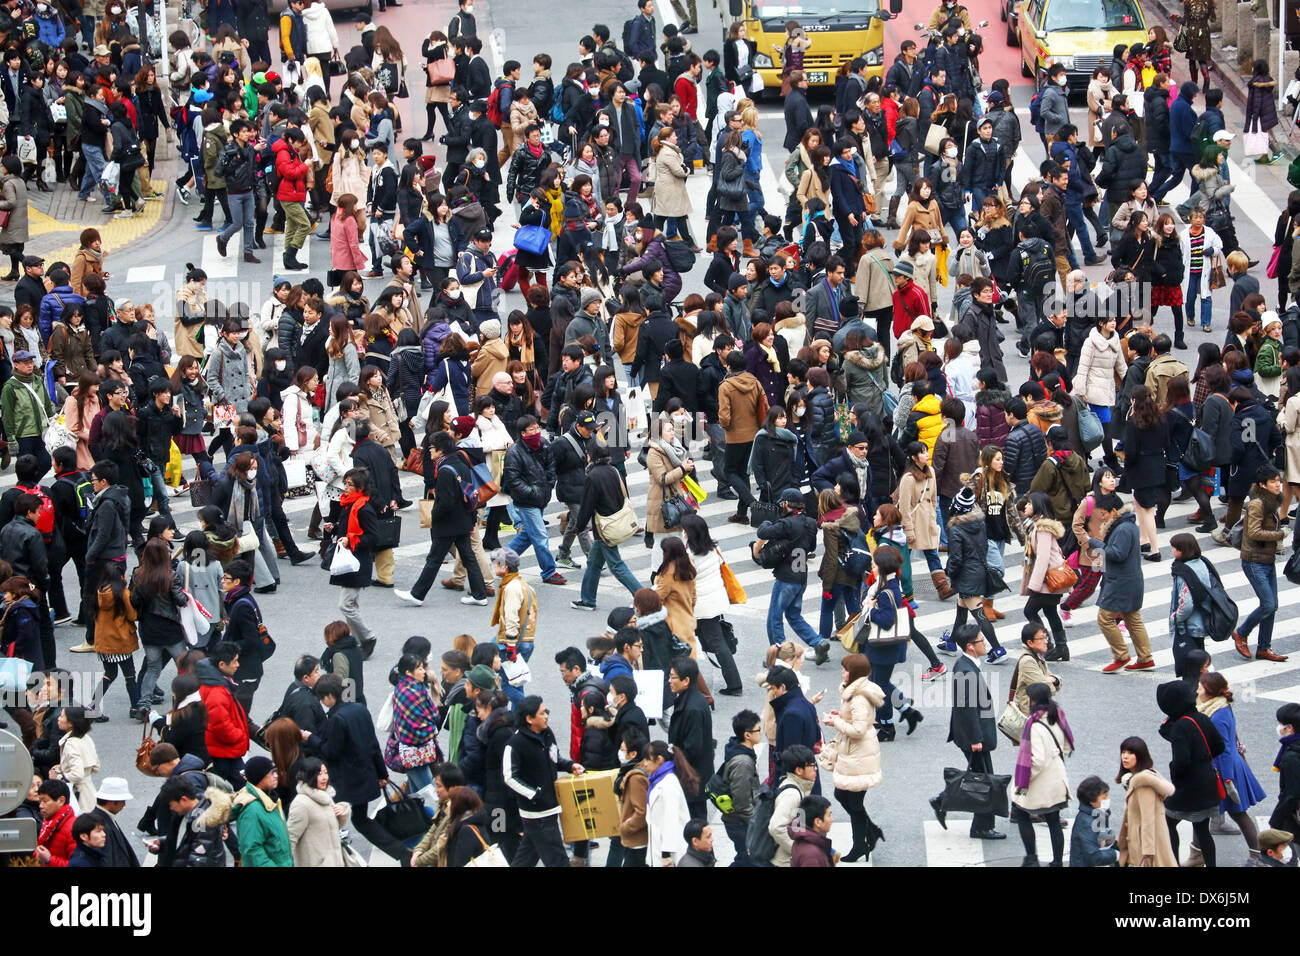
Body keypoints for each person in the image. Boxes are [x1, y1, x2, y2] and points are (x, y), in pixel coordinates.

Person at [308, 673, 412, 866]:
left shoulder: (336, 719)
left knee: (334, 817)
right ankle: (401, 852)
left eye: (323, 697)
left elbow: (331, 751)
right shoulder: (359, 710)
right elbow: (373, 744)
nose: (322, 702)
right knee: (360, 819)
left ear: (330, 695)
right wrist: (382, 773)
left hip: (347, 780)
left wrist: (311, 738)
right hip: (365, 774)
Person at [396, 431, 490, 608]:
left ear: (441, 450)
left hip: (448, 524)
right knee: (468, 557)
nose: (429, 451)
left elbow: (445, 502)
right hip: (463, 520)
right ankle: (479, 594)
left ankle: (417, 594)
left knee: (434, 559)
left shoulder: (445, 470)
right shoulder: (460, 464)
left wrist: (434, 516)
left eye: (431, 447)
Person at [929, 624, 1003, 841]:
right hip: (972, 735)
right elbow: (966, 708)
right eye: (981, 641)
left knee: (980, 776)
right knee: (984, 779)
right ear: (970, 646)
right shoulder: (965, 670)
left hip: (973, 733)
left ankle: (942, 802)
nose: (985, 644)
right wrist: (975, 739)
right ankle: (981, 827)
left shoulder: (967, 665)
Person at [817, 652, 885, 863]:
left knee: (853, 801)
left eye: (846, 669)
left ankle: (861, 844)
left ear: (854, 673)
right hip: (854, 752)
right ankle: (871, 831)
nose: (842, 672)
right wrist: (840, 716)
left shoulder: (858, 697)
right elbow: (855, 721)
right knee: (843, 795)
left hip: (859, 752)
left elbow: (858, 730)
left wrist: (834, 723)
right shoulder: (852, 691)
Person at [503, 695, 583, 867]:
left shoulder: (547, 734)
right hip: (537, 814)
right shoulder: (515, 744)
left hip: (549, 808)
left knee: (525, 859)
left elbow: (553, 758)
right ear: (529, 719)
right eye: (541, 713)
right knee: (558, 860)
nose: (546, 716)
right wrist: (535, 794)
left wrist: (570, 766)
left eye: (546, 711)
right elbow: (509, 777)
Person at [1196, 672, 1266, 862]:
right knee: (1208, 813)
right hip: (1227, 767)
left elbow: (1223, 750)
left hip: (1224, 770)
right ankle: (1256, 855)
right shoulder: (1219, 706)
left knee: (1235, 813)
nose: (1197, 690)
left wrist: (1227, 780)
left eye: (1200, 688)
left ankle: (1257, 856)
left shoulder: (1216, 715)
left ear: (1209, 692)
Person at [1157, 679, 1226, 867]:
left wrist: (1174, 775)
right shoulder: (1202, 718)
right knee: (1202, 829)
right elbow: (1219, 745)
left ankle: (1173, 863)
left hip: (1188, 787)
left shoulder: (1180, 727)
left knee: (1168, 823)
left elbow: (1181, 761)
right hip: (1208, 781)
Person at [754, 488, 825, 658]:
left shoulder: (787, 524)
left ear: (786, 504)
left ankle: (780, 654)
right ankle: (818, 642)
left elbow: (762, 532)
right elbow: (812, 547)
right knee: (793, 615)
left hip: (786, 578)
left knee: (774, 618)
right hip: (801, 576)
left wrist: (767, 521)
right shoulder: (810, 522)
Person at [1011, 683, 1074, 867]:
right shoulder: (1058, 715)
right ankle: (1057, 862)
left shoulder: (1035, 725)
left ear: (1034, 701)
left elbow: (1036, 761)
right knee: (1053, 820)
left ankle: (1031, 858)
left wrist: (1023, 782)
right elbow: (1068, 746)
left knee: (1022, 813)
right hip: (1057, 776)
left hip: (1040, 781)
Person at [1091, 501, 1155, 671]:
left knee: (1105, 618)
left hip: (1121, 582)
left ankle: (1121, 655)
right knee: (1133, 619)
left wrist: (1097, 544)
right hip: (1130, 579)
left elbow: (1118, 554)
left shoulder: (1123, 529)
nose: (1101, 518)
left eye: (1103, 514)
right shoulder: (1128, 525)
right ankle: (1145, 658)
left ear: (1114, 511)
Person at [1233, 465, 1288, 663]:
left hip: (1267, 559)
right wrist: (1279, 534)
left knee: (1272, 606)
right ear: (1262, 485)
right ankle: (1241, 632)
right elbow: (1254, 532)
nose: (1278, 485)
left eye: (1279, 481)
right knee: (1268, 604)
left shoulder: (1272, 501)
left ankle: (1264, 648)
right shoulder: (1257, 504)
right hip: (1254, 560)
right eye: (1273, 481)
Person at [667, 657, 714, 820]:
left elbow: (693, 748)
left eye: (673, 677)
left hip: (692, 778)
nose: (669, 681)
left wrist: (671, 759)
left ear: (686, 680)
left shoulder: (692, 708)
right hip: (691, 777)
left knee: (696, 825)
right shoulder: (689, 700)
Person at [285, 757, 350, 868]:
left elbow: (332, 827)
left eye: (325, 773)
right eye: (319, 774)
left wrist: (343, 810)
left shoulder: (325, 796)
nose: (324, 777)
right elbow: (291, 839)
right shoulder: (301, 804)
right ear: (309, 776)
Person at [231, 755, 293, 867]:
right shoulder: (251, 810)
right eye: (271, 772)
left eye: (276, 771)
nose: (276, 776)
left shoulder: (273, 800)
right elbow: (251, 851)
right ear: (258, 777)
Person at [768, 744, 818, 868]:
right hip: (785, 861)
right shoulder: (792, 795)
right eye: (811, 765)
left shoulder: (799, 787)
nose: (815, 769)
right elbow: (776, 827)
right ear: (799, 770)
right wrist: (798, 851)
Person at [1069, 775, 1119, 866]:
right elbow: (1094, 856)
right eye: (1104, 798)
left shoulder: (1099, 814)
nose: (1107, 800)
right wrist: (1117, 854)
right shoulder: (1087, 823)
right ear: (1091, 800)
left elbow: (1104, 839)